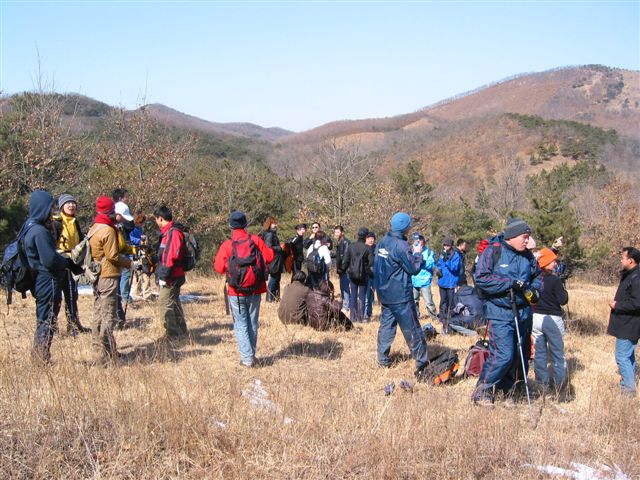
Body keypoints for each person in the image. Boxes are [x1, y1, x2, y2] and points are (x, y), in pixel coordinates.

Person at [472, 218, 541, 405]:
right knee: (504, 354)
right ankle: (483, 390)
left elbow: (537, 277)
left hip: (523, 312)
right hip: (500, 311)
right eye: (524, 237)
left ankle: (509, 391)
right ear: (512, 236)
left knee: (520, 354)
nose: (527, 241)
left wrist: (534, 291)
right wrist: (510, 283)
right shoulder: (493, 252)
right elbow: (482, 279)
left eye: (528, 237)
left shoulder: (528, 256)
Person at [22, 190, 84, 362]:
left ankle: (40, 355)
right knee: (47, 318)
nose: (52, 211)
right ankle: (41, 358)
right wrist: (66, 262)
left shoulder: (29, 226)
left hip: (41, 278)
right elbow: (49, 260)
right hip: (47, 279)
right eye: (50, 207)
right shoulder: (40, 231)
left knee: (44, 317)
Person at [214, 211, 274, 367]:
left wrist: (230, 267)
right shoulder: (256, 240)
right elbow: (270, 257)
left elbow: (218, 267)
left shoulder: (227, 245)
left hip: (236, 292)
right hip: (255, 289)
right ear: (245, 224)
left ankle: (247, 359)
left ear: (230, 226)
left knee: (241, 324)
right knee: (252, 322)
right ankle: (251, 356)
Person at [375, 212, 429, 378]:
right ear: (405, 227)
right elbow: (414, 268)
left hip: (384, 292)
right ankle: (422, 363)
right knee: (412, 328)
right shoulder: (401, 245)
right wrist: (418, 253)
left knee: (386, 325)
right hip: (400, 294)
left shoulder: (382, 242)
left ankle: (382, 359)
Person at [87, 196, 132, 364]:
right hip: (108, 275)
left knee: (98, 312)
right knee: (108, 314)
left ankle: (99, 348)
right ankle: (106, 354)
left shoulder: (94, 227)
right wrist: (130, 264)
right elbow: (113, 256)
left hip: (97, 275)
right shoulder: (108, 230)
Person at [532, 247, 569, 396]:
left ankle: (542, 384)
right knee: (557, 353)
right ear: (545, 263)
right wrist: (562, 286)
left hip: (536, 318)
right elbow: (563, 300)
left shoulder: (534, 279)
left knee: (540, 353)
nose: (555, 264)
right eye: (552, 261)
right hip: (552, 318)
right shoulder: (554, 280)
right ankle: (559, 384)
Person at [52, 193, 90, 335]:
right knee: (56, 297)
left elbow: (80, 241)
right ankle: (53, 327)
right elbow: (52, 244)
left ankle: (73, 325)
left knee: (72, 295)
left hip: (73, 262)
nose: (71, 205)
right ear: (62, 206)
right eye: (68, 203)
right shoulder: (56, 222)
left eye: (73, 203)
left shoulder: (75, 222)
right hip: (59, 262)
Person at [607, 246, 640, 397]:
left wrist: (617, 305)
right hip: (627, 322)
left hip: (630, 324)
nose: (621, 260)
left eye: (623, 258)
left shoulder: (637, 278)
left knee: (621, 356)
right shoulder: (630, 275)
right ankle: (630, 383)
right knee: (628, 355)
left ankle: (628, 389)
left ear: (631, 260)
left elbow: (637, 303)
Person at [154, 205, 188, 339]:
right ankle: (181, 331)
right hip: (173, 273)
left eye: (156, 219)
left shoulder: (173, 233)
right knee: (173, 303)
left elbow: (171, 256)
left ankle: (172, 334)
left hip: (171, 275)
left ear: (160, 218)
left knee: (164, 304)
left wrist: (164, 275)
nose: (156, 222)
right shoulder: (168, 233)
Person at [342, 227, 374, 323]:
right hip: (363, 275)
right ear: (366, 236)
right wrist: (370, 273)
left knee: (353, 295)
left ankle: (353, 317)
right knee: (362, 296)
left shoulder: (351, 246)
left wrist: (343, 270)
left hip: (352, 274)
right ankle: (360, 317)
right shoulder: (367, 248)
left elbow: (346, 261)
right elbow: (371, 263)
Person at [436, 237, 461, 331]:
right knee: (443, 301)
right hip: (442, 282)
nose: (445, 246)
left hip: (451, 283)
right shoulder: (442, 254)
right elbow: (439, 264)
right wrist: (438, 270)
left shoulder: (456, 255)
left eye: (447, 245)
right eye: (444, 245)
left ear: (451, 245)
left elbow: (455, 268)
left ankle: (450, 319)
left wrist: (447, 261)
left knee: (451, 303)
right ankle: (442, 318)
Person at [411, 235, 438, 321]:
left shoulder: (429, 252)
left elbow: (432, 265)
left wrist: (423, 262)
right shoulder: (412, 251)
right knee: (414, 300)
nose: (419, 245)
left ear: (423, 243)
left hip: (425, 281)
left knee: (428, 301)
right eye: (417, 243)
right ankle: (416, 317)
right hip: (414, 280)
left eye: (421, 243)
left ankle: (434, 318)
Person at [130, 212, 154, 301]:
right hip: (133, 252)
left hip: (141, 252)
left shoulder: (139, 229)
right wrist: (139, 241)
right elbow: (130, 238)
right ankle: (136, 292)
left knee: (142, 271)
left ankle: (141, 292)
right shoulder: (131, 228)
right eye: (142, 222)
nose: (142, 224)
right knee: (137, 272)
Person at [261, 217, 284, 302]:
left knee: (276, 278)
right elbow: (268, 247)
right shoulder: (269, 234)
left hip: (275, 260)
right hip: (273, 260)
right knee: (274, 279)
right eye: (274, 223)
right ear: (269, 224)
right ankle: (269, 298)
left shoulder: (271, 233)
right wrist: (280, 248)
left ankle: (275, 298)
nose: (276, 225)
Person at [332, 225, 351, 310]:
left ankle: (347, 306)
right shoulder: (340, 241)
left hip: (345, 269)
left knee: (345, 287)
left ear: (342, 232)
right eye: (335, 232)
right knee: (342, 287)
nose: (336, 233)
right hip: (341, 269)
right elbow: (339, 255)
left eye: (338, 232)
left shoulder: (345, 242)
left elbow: (346, 257)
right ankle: (345, 304)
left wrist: (342, 269)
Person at [364, 231, 376, 321]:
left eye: (372, 239)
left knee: (371, 295)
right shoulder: (363, 248)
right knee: (366, 296)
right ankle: (365, 315)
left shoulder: (376, 248)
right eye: (369, 239)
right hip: (366, 275)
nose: (371, 240)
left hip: (375, 275)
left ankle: (369, 312)